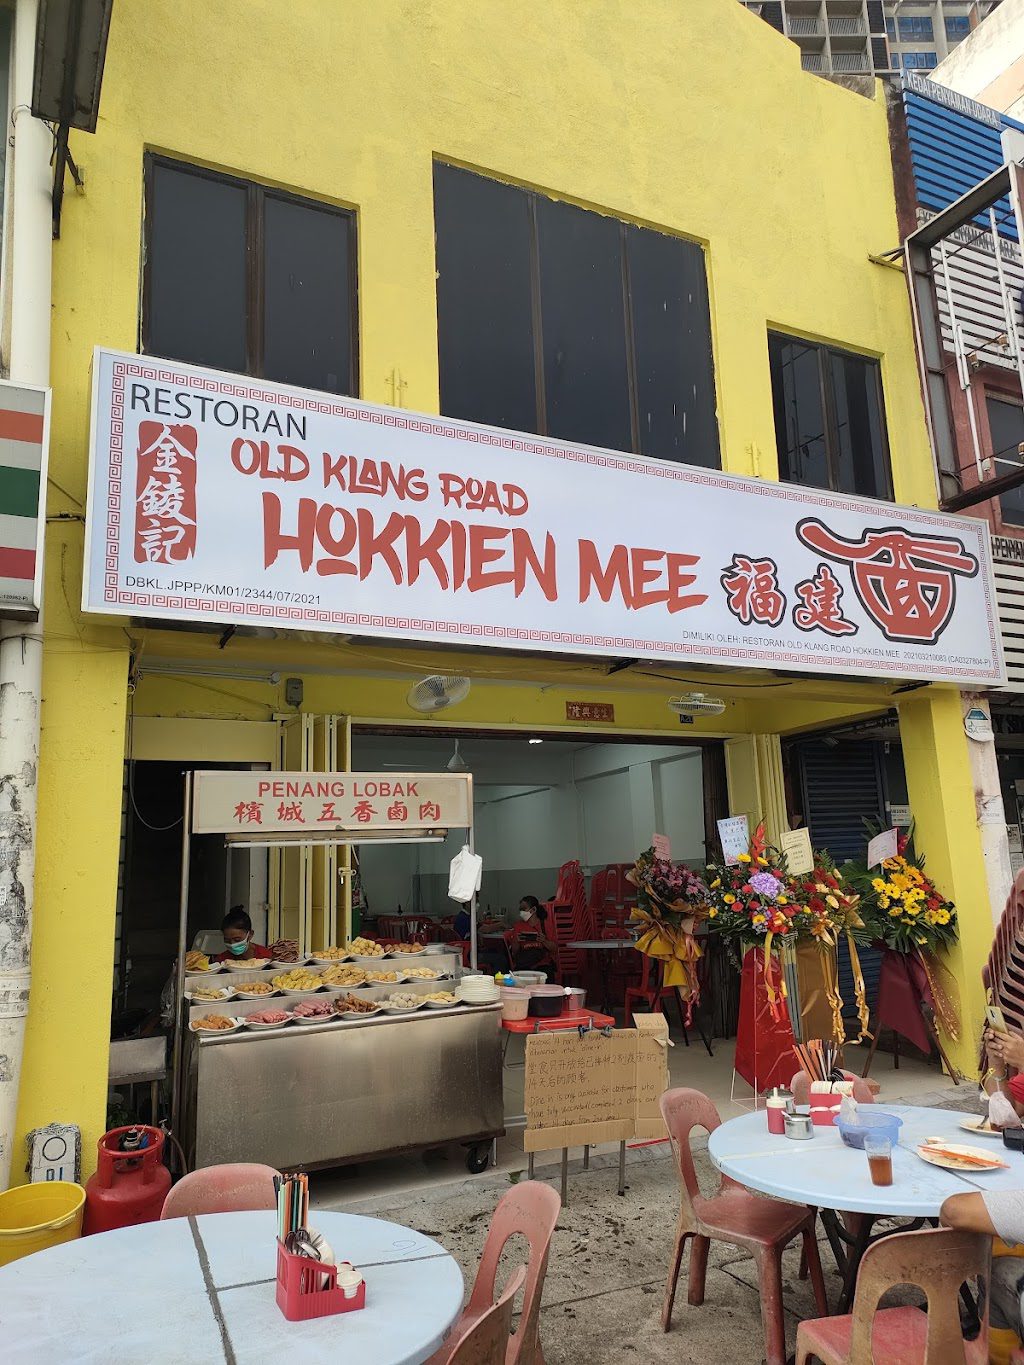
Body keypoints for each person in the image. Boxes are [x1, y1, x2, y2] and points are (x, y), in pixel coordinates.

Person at [508, 896, 557, 975]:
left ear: (533, 909)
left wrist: (544, 941)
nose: (521, 912)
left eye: (524, 909)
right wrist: (516, 941)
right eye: (520, 909)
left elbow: (554, 949)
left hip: (542, 963)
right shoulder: (518, 926)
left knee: (546, 974)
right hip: (524, 962)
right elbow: (515, 952)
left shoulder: (545, 925)